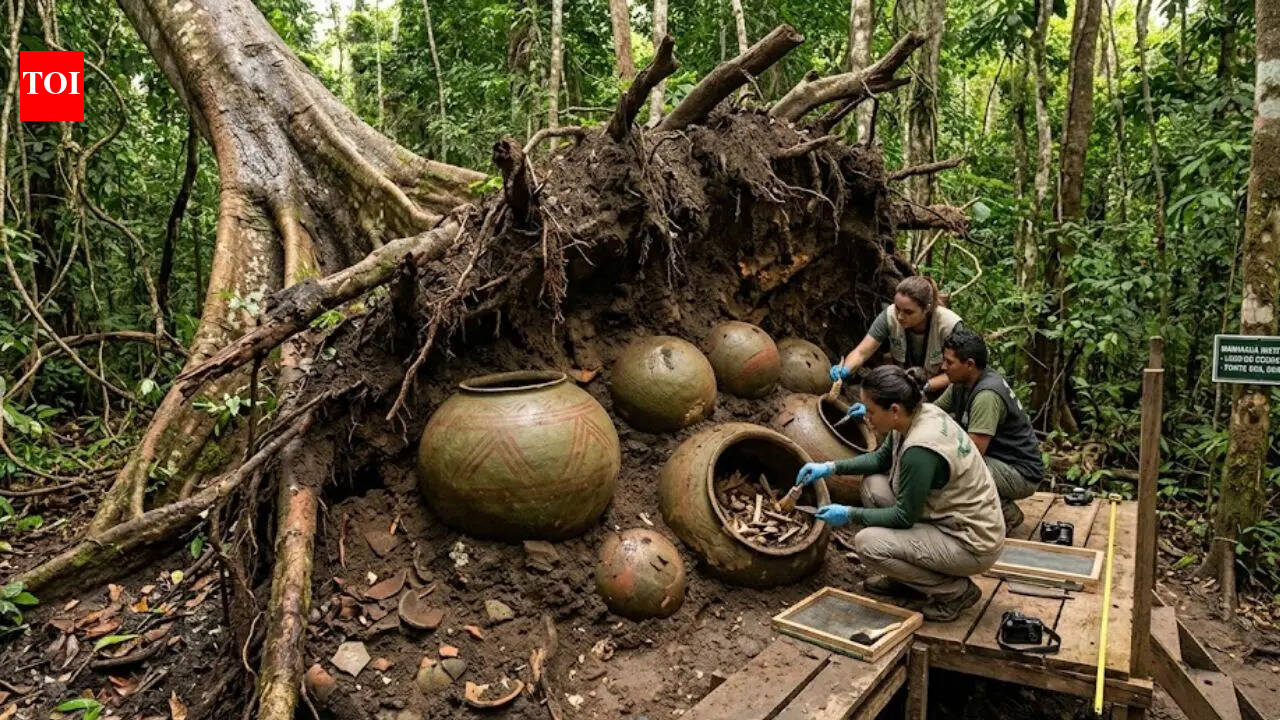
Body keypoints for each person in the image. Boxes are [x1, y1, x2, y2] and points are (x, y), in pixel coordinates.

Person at [794, 366, 1005, 621]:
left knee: (868, 544)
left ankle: (955, 592)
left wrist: (849, 514)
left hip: (970, 541)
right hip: (950, 518)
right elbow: (880, 460)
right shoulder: (918, 414)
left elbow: (904, 516)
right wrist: (829, 467)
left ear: (894, 409)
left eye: (871, 411)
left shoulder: (921, 450)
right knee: (873, 487)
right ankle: (909, 581)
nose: (867, 418)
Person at [934, 327, 1043, 531]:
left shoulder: (986, 396)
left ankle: (1006, 513)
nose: (943, 367)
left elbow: (972, 453)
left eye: (949, 362)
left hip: (1020, 473)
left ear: (969, 365)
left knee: (958, 470)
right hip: (998, 462)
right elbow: (933, 412)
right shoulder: (961, 383)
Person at [829, 276, 963, 397]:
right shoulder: (889, 316)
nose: (900, 316)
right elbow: (862, 352)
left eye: (908, 312)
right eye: (898, 308)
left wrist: (926, 386)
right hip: (904, 387)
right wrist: (845, 369)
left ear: (926, 308)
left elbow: (960, 371)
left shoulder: (949, 325)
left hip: (941, 392)